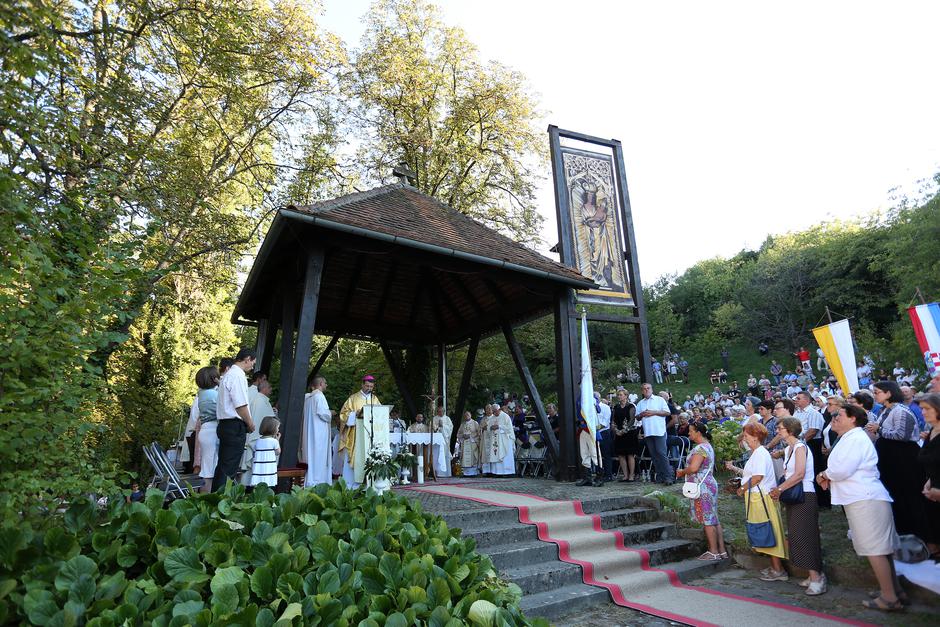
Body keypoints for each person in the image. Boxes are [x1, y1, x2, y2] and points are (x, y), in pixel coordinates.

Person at [816, 404, 904, 611]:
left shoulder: (855, 438)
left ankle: (890, 597)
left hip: (864, 499)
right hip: (865, 497)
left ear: (853, 419)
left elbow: (841, 469)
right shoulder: (851, 438)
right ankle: (892, 589)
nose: (834, 417)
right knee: (881, 548)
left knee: (874, 549)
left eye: (840, 415)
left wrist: (824, 475)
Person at [770, 417, 827, 595]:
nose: (778, 431)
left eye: (780, 428)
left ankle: (817, 577)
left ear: (790, 430)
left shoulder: (801, 447)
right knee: (797, 534)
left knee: (805, 534)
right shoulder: (789, 449)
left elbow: (800, 473)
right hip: (795, 496)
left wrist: (780, 489)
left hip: (805, 495)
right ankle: (813, 574)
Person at [726, 422, 788, 579]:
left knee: (767, 530)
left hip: (761, 497)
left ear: (755, 437)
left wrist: (742, 488)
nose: (745, 438)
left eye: (746, 436)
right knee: (763, 530)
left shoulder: (760, 453)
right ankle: (775, 567)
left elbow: (757, 477)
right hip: (756, 497)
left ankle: (778, 569)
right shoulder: (757, 453)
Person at [869, 381, 928, 539]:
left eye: (877, 392)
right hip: (891, 460)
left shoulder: (901, 411)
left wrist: (879, 429)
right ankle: (902, 532)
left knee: (907, 496)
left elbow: (902, 435)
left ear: (888, 393)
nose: (875, 395)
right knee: (895, 495)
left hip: (904, 460)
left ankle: (915, 534)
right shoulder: (885, 410)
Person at [676, 422, 726, 560]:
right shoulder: (707, 446)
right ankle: (721, 550)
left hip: (702, 486)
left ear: (698, 432)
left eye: (691, 431)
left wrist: (681, 472)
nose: (689, 433)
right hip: (709, 483)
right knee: (714, 517)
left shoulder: (700, 449)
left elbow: (693, 468)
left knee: (707, 518)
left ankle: (713, 551)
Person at [212, 349, 256, 492]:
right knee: (229, 467)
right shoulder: (237, 375)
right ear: (247, 359)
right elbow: (240, 405)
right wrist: (250, 423)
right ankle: (221, 501)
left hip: (225, 424)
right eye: (253, 363)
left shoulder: (229, 375)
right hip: (233, 424)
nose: (252, 367)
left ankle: (216, 498)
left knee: (224, 465)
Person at [338, 375, 380, 489]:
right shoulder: (353, 398)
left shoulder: (374, 399)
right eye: (367, 385)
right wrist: (354, 414)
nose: (369, 388)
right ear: (362, 385)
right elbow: (343, 415)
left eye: (371, 386)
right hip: (355, 434)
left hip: (369, 435)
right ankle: (351, 485)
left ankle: (368, 484)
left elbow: (379, 413)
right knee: (354, 457)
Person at [916, 393, 940, 559]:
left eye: (927, 409)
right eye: (922, 409)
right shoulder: (932, 430)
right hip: (931, 489)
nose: (923, 412)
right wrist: (929, 483)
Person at [794, 391, 827, 508]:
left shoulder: (814, 413)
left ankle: (823, 502)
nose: (796, 400)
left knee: (816, 469)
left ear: (807, 400)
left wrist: (800, 443)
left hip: (812, 444)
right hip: (801, 443)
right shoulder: (797, 413)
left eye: (798, 398)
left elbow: (813, 431)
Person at [637, 383, 673, 484]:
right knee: (654, 455)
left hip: (659, 431)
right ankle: (660, 476)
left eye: (648, 388)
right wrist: (642, 414)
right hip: (648, 432)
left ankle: (668, 476)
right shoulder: (640, 403)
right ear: (642, 391)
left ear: (652, 389)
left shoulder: (659, 399)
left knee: (662, 454)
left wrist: (653, 412)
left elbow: (667, 413)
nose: (646, 390)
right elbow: (637, 417)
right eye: (644, 389)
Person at [242, 379, 275, 485]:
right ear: (264, 388)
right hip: (259, 439)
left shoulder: (259, 399)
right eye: (269, 388)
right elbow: (267, 421)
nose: (271, 390)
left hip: (257, 438)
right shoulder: (260, 401)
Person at [192, 366, 220, 493]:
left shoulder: (201, 394)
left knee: (206, 468)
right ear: (214, 379)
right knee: (209, 472)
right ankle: (206, 499)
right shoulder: (214, 394)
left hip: (205, 430)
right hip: (212, 432)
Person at [302, 376, 332, 487]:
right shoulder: (319, 396)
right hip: (318, 433)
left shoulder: (308, 398)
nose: (326, 385)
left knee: (310, 455)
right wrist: (330, 413)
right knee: (318, 456)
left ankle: (310, 479)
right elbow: (323, 413)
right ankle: (317, 482)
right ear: (320, 384)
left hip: (309, 431)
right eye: (325, 383)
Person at [612, 389, 639, 481]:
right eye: (618, 395)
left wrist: (624, 430)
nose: (619, 396)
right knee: (621, 454)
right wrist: (616, 430)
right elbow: (613, 419)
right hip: (619, 433)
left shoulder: (631, 406)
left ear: (626, 396)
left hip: (629, 433)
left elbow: (632, 420)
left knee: (630, 454)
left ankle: (631, 475)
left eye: (621, 395)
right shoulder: (616, 407)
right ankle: (625, 475)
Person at [482, 403, 515, 476]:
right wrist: (490, 428)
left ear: (499, 410)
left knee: (505, 457)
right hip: (495, 440)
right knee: (495, 454)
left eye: (495, 411)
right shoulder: (493, 418)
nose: (494, 413)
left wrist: (499, 427)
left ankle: (507, 472)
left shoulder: (505, 417)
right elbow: (488, 428)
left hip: (504, 440)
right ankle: (497, 472)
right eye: (493, 411)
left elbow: (509, 429)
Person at [249, 416, 281, 488]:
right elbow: (278, 452)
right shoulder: (274, 441)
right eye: (277, 427)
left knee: (258, 487)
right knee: (269, 486)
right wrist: (278, 440)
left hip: (259, 469)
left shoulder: (257, 441)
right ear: (272, 428)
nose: (278, 430)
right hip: (269, 469)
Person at [456, 410, 482, 476]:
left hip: (472, 442)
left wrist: (470, 436)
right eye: (465, 415)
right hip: (465, 443)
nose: (466, 416)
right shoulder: (462, 424)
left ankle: (474, 472)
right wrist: (463, 436)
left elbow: (479, 433)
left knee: (473, 457)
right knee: (465, 457)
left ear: (470, 415)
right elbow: (458, 434)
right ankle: (466, 473)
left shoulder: (475, 423)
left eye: (468, 415)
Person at [596, 393, 614, 481]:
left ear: (598, 398)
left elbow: (606, 422)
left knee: (606, 454)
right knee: (596, 455)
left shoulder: (605, 407)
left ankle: (608, 475)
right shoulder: (591, 407)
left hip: (603, 432)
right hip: (594, 433)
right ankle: (598, 473)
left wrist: (595, 428)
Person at [432, 406, 454, 477]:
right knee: (437, 455)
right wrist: (437, 428)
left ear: (444, 411)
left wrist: (443, 426)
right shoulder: (434, 418)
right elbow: (432, 428)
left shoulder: (447, 419)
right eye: (438, 411)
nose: (440, 412)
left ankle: (446, 473)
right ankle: (437, 472)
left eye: (441, 411)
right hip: (437, 441)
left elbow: (450, 429)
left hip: (445, 440)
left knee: (445, 455)